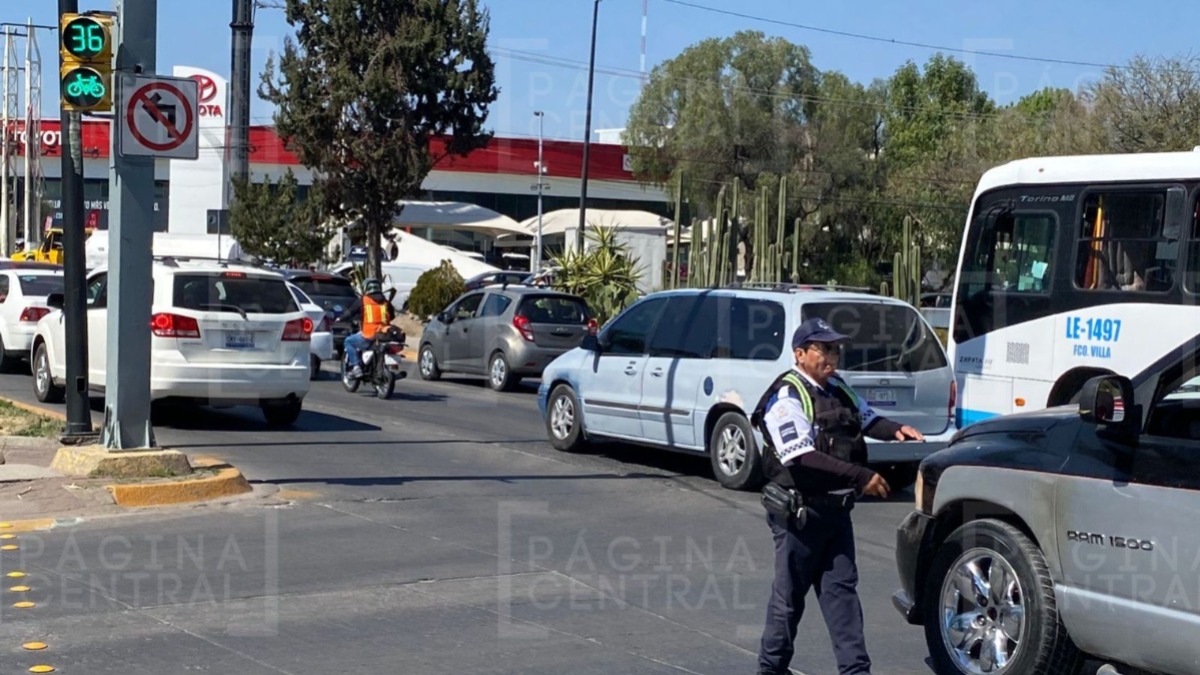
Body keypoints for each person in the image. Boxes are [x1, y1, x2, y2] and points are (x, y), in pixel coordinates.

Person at [752, 317, 924, 675]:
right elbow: (799, 456)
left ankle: (856, 671)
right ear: (799, 354)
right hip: (800, 517)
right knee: (788, 604)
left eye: (835, 348)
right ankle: (770, 669)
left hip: (836, 516)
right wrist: (862, 477)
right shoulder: (787, 396)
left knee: (843, 598)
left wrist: (897, 431)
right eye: (823, 348)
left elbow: (868, 418)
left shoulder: (838, 388)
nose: (832, 355)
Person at [338, 277, 396, 379]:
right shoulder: (385, 301)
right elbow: (392, 315)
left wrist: (340, 319)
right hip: (384, 335)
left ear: (366, 288)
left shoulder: (364, 300)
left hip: (369, 335)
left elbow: (350, 312)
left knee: (348, 341)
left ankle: (356, 367)